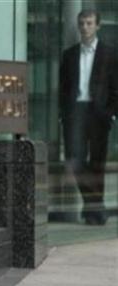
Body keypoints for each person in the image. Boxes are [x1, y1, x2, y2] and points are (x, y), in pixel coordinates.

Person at [59, 9, 118, 225]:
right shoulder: (69, 55)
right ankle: (96, 205)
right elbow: (63, 89)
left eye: (89, 23)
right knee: (74, 160)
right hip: (75, 112)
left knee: (97, 164)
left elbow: (115, 89)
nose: (85, 27)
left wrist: (110, 113)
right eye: (82, 23)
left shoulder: (110, 54)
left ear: (98, 26)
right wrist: (62, 114)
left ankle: (93, 211)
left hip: (98, 113)